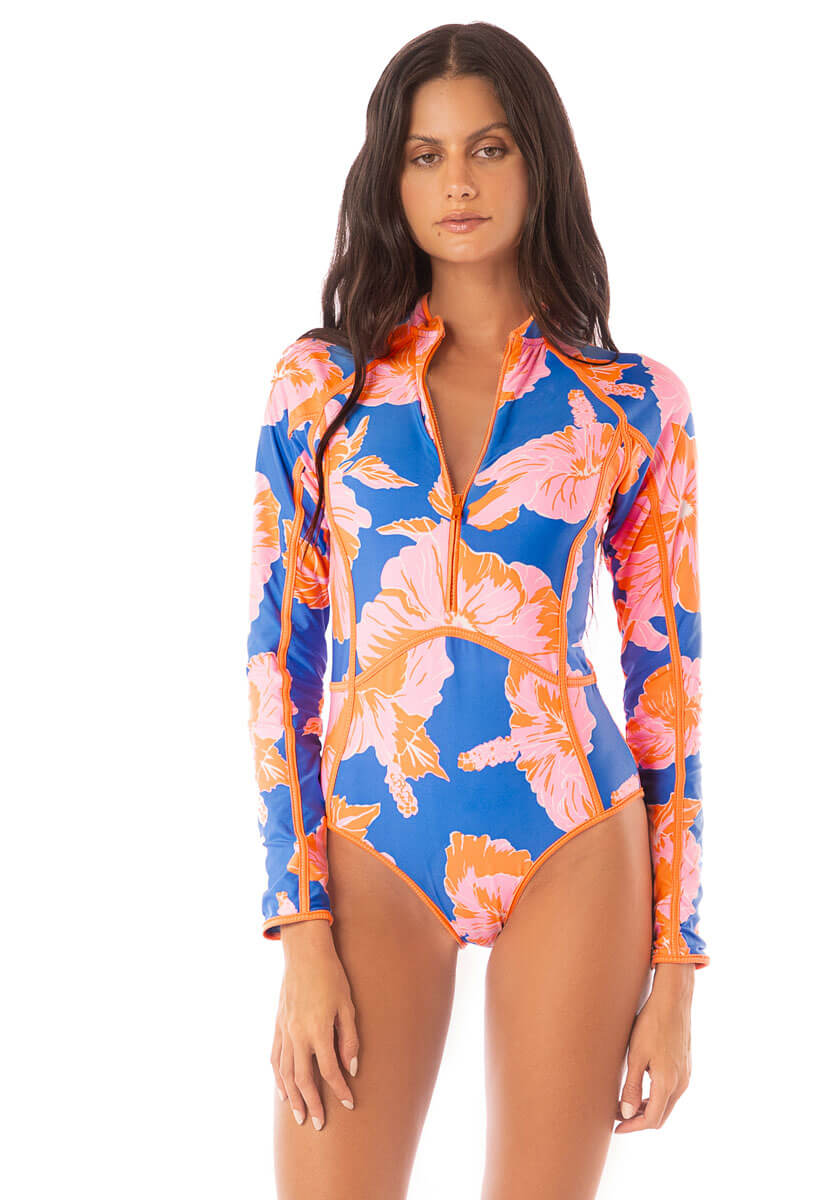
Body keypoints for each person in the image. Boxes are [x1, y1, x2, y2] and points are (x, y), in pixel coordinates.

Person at [246, 20, 708, 1199]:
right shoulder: (321, 390)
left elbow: (668, 685)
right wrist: (299, 928)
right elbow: (277, 662)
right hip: (374, 836)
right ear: (391, 179)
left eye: (489, 148)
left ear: (538, 162)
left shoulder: (633, 405)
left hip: (577, 843)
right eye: (426, 154)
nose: (458, 182)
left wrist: (677, 972)